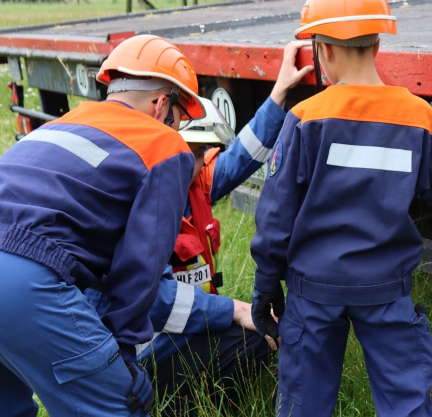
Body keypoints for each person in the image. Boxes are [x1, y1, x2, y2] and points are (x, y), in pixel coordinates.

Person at [249, 0, 432, 416]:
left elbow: (275, 217)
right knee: (407, 402)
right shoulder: (420, 118)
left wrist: (267, 287)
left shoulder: (306, 117)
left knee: (303, 404)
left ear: (323, 50)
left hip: (312, 291)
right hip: (386, 289)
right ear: (378, 44)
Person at [87, 42, 313, 413]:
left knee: (256, 338)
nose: (193, 162)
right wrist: (232, 309)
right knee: (248, 334)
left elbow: (244, 153)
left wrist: (279, 93)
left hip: (190, 321)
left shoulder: (198, 184)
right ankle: (179, 404)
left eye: (200, 154)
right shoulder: (138, 196)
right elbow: (147, 299)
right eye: (188, 151)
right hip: (144, 343)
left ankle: (211, 401)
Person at [0, 34, 203, 417]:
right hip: (23, 284)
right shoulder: (163, 144)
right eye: (181, 118)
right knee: (118, 406)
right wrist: (122, 357)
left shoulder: (63, 123)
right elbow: (140, 267)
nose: (178, 129)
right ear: (162, 104)